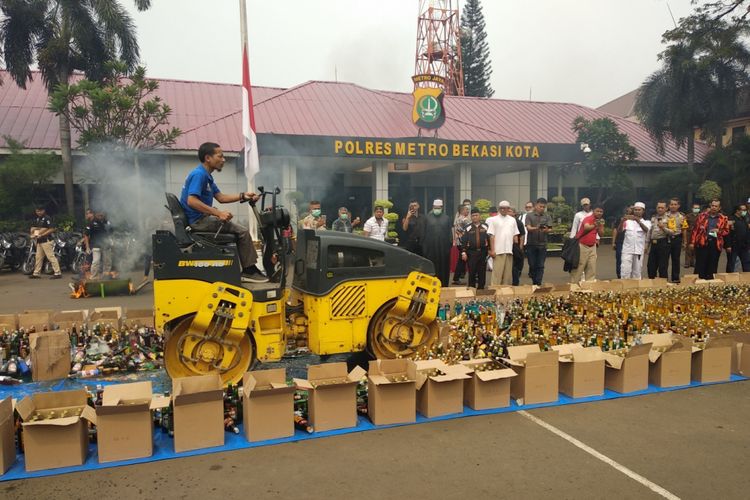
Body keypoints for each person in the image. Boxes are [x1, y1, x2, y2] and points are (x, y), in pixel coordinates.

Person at [179, 141, 267, 283]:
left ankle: (248, 268)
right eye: (220, 156)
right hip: (198, 222)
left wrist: (243, 196)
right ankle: (249, 271)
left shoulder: (207, 176)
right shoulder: (199, 175)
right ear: (208, 158)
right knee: (243, 232)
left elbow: (221, 197)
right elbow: (191, 201)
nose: (223, 160)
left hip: (202, 219)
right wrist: (218, 213)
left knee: (238, 230)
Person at [690, 199, 730, 280]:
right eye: (712, 205)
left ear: (719, 208)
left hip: (715, 244)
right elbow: (695, 230)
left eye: (716, 206)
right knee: (700, 265)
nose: (714, 207)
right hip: (702, 243)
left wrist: (719, 231)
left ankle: (711, 284)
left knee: (712, 265)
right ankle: (698, 284)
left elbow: (726, 231)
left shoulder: (723, 218)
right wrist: (692, 242)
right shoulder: (702, 216)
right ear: (710, 206)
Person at [486, 200, 519, 286]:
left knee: (507, 275)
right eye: (502, 208)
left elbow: (515, 236)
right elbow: (491, 236)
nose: (504, 210)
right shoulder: (493, 220)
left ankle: (505, 293)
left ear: (509, 209)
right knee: (497, 274)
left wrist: (517, 249)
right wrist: (492, 250)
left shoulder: (512, 220)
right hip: (498, 250)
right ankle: (494, 291)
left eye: (506, 208)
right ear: (499, 209)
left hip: (509, 250)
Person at [570, 205, 605, 283]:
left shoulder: (600, 221)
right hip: (582, 245)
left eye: (601, 212)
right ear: (593, 211)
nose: (599, 213)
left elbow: (601, 234)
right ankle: (574, 285)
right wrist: (595, 224)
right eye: (597, 211)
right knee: (580, 265)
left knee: (591, 267)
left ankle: (589, 284)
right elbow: (586, 227)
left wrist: (600, 226)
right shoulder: (588, 218)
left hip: (592, 246)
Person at [422, 199, 453, 286]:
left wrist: (448, 248)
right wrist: (425, 249)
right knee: (432, 268)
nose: (437, 209)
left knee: (443, 268)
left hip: (443, 250)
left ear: (442, 207)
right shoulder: (427, 218)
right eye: (435, 207)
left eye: (438, 207)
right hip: (430, 250)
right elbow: (423, 234)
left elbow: (450, 234)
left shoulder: (446, 218)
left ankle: (444, 286)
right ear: (433, 207)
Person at [459, 207, 489, 289]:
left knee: (482, 272)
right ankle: (471, 290)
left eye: (476, 215)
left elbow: (490, 239)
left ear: (480, 216)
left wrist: (490, 250)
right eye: (473, 216)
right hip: (471, 253)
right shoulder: (467, 228)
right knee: (472, 272)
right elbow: (463, 241)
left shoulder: (485, 226)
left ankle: (481, 290)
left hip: (483, 252)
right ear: (471, 217)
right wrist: (463, 252)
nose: (474, 217)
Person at [29, 205, 62, 279]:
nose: (39, 212)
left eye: (40, 211)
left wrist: (42, 234)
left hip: (47, 240)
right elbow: (36, 229)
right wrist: (34, 234)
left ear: (44, 210)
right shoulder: (38, 219)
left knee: (50, 257)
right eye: (37, 211)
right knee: (38, 257)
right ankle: (36, 273)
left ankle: (57, 273)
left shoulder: (47, 218)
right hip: (39, 241)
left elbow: (52, 229)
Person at [525, 198, 552, 286]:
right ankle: (534, 281)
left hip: (542, 244)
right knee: (532, 264)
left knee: (540, 265)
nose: (542, 208)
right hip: (531, 244)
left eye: (544, 207)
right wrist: (537, 228)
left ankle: (538, 284)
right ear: (536, 205)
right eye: (540, 206)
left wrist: (546, 230)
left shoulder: (547, 216)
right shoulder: (529, 215)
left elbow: (550, 229)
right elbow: (528, 228)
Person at [620, 202, 651, 279]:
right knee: (625, 271)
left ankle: (636, 289)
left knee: (637, 272)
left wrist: (638, 221)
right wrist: (621, 221)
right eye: (635, 210)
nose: (637, 211)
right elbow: (620, 231)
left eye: (639, 210)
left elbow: (646, 230)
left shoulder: (647, 222)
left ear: (643, 211)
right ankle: (624, 288)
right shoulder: (627, 222)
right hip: (627, 250)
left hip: (639, 251)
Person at [665, 198, 688, 283]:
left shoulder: (682, 216)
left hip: (677, 239)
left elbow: (684, 229)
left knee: (676, 259)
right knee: (665, 259)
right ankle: (664, 278)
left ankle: (675, 278)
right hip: (666, 239)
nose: (673, 206)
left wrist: (684, 242)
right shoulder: (665, 215)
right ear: (669, 206)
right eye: (671, 204)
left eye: (675, 204)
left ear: (678, 206)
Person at [646, 201, 670, 279]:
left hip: (663, 243)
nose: (660, 209)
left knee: (662, 266)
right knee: (650, 265)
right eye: (658, 207)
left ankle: (662, 284)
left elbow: (673, 232)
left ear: (666, 208)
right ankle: (652, 283)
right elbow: (650, 232)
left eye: (662, 208)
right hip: (653, 244)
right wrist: (646, 245)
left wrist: (663, 227)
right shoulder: (653, 218)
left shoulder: (669, 218)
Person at [84, 211, 109, 279]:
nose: (100, 216)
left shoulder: (105, 223)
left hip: (105, 245)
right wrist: (87, 247)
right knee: (96, 261)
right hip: (95, 245)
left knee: (107, 261)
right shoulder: (91, 223)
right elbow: (86, 235)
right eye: (99, 215)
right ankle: (94, 276)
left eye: (102, 215)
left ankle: (106, 275)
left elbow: (109, 232)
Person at [725, 203, 749, 272]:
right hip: (733, 246)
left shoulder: (744, 219)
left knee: (747, 264)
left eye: (745, 210)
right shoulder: (731, 219)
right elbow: (727, 233)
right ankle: (730, 280)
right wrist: (728, 245)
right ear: (737, 211)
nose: (745, 211)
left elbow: (747, 232)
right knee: (732, 264)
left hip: (744, 246)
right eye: (743, 210)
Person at [451, 204, 471, 284]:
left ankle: (457, 278)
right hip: (464, 242)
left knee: (461, 261)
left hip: (459, 242)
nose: (468, 211)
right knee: (462, 261)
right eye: (466, 210)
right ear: (462, 211)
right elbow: (470, 230)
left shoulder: (457, 219)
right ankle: (456, 278)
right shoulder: (465, 220)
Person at [611, 206, 632, 279]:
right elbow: (615, 230)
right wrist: (613, 242)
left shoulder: (635, 220)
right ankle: (619, 275)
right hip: (620, 241)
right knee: (619, 259)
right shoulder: (620, 218)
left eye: (630, 208)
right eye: (627, 208)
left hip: (630, 242)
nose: (628, 209)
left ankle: (629, 276)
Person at [508, 207, 526, 286]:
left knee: (516, 265)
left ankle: (515, 282)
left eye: (510, 211)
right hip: (506, 246)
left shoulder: (518, 223)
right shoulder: (505, 222)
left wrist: (521, 246)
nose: (508, 212)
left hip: (516, 246)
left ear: (514, 213)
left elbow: (522, 235)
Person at [684, 202, 701, 268]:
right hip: (689, 233)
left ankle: (693, 262)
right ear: (692, 209)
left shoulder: (701, 216)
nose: (696, 209)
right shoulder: (688, 216)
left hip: (697, 234)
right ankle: (687, 262)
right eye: (695, 208)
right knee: (688, 249)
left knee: (695, 249)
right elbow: (685, 225)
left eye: (697, 208)